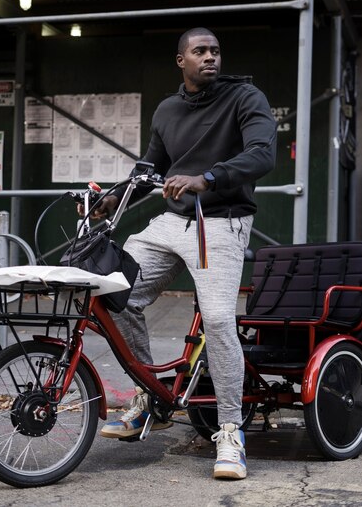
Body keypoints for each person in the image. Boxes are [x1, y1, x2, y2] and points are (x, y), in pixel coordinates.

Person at [93, 27, 277, 480]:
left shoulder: (244, 97)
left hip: (221, 222)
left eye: (215, 51)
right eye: (200, 51)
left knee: (217, 320)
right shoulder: (168, 109)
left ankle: (230, 430)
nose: (210, 57)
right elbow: (150, 167)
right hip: (172, 222)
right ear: (182, 60)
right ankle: (150, 398)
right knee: (116, 293)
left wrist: (209, 179)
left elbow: (262, 154)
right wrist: (116, 197)